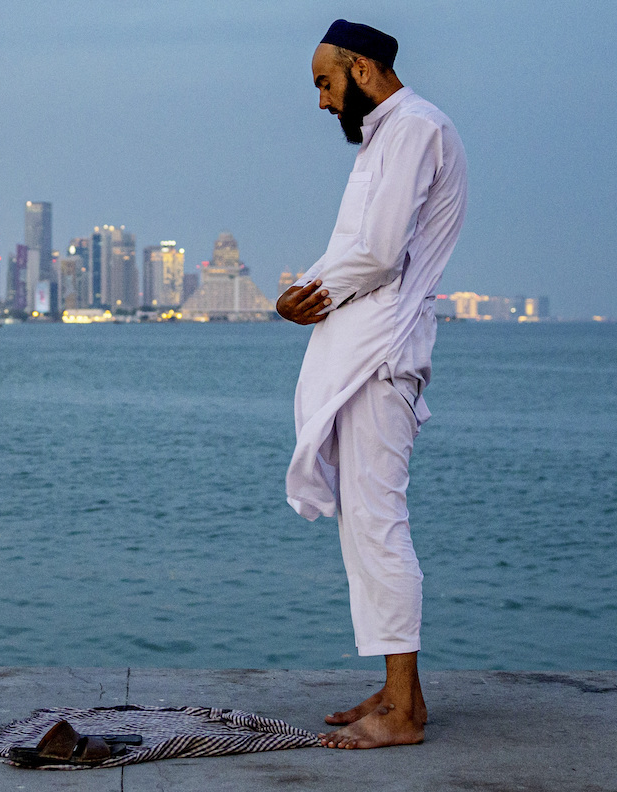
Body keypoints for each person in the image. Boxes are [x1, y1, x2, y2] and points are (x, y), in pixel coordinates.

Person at [275, 19, 468, 750]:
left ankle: (403, 713)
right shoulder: (385, 136)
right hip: (366, 351)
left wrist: (306, 294)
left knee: (380, 524)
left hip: (384, 357)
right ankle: (398, 693)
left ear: (359, 68)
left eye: (325, 83)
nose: (323, 102)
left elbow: (381, 254)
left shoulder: (415, 127)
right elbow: (359, 248)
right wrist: (307, 291)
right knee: (363, 526)